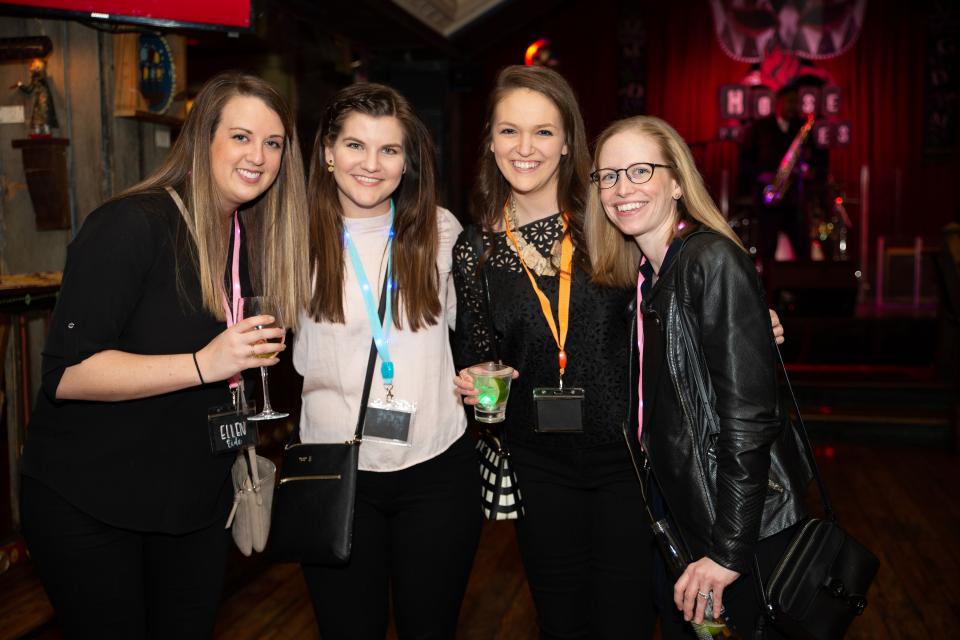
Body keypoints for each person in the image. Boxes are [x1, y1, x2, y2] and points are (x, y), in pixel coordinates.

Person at [19, 72, 310, 637]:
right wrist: (207, 363)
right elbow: (67, 375)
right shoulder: (131, 225)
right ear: (203, 139)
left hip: (193, 503)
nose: (259, 156)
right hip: (94, 503)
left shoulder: (248, 238)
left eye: (273, 143)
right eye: (242, 137)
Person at [452, 64, 657, 639]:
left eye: (543, 131)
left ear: (568, 142)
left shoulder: (613, 219)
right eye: (509, 131)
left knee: (626, 620)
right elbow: (478, 352)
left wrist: (742, 314)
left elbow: (678, 293)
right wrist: (472, 381)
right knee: (560, 619)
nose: (525, 147)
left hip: (627, 462)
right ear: (490, 141)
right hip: (539, 465)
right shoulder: (478, 249)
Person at [586, 115, 811, 638]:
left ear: (678, 182)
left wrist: (728, 551)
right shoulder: (646, 277)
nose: (622, 189)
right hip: (686, 513)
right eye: (609, 176)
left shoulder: (709, 260)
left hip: (737, 525)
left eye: (641, 171)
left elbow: (750, 420)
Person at [294, 83, 480, 638]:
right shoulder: (291, 237)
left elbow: (471, 336)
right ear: (328, 152)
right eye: (355, 146)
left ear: (407, 161)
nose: (370, 165)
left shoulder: (442, 233)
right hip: (335, 471)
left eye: (389, 150)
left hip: (436, 467)